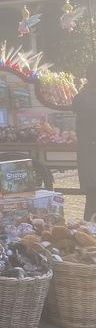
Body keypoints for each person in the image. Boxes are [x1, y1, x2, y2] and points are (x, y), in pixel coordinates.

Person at [72, 61, 96, 219]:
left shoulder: (82, 96)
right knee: (93, 193)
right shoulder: (85, 98)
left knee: (92, 194)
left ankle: (89, 224)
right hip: (90, 149)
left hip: (87, 149)